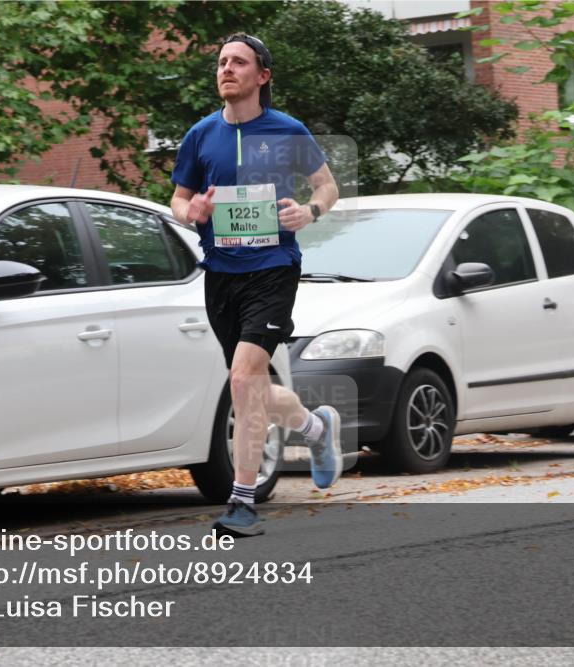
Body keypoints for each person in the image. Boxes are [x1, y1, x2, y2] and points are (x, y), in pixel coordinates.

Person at [170, 33, 341, 537]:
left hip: (273, 270)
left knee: (244, 380)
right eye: (221, 62)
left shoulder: (287, 131)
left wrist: (308, 211)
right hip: (220, 276)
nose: (226, 69)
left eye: (238, 62)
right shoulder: (201, 135)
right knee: (255, 389)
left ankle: (242, 501)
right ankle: (316, 428)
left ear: (261, 76)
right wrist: (190, 211)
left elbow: (326, 186)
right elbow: (178, 201)